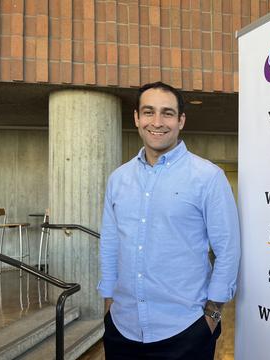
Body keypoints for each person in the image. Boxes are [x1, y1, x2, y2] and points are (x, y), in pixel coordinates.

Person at [98, 81, 240, 359]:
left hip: (186, 331)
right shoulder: (119, 179)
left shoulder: (208, 177)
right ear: (137, 118)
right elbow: (110, 243)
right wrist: (108, 303)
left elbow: (228, 249)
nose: (158, 122)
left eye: (168, 113)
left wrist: (211, 315)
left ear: (181, 120)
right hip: (122, 329)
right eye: (149, 112)